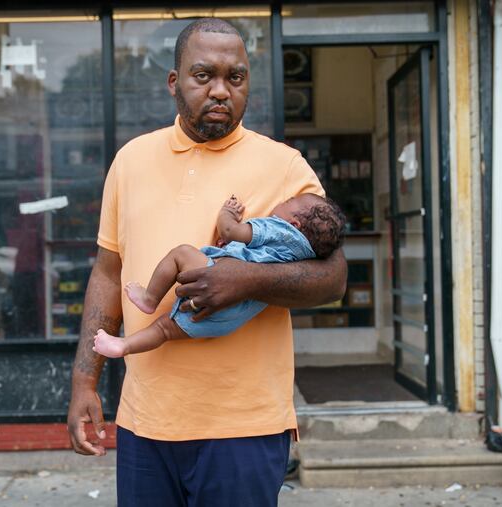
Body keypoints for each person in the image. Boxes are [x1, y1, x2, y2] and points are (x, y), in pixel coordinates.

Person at [66, 17, 347, 507]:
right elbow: (109, 273)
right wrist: (84, 380)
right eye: (204, 76)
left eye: (235, 78)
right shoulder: (131, 161)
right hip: (145, 421)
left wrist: (245, 279)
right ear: (174, 82)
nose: (221, 90)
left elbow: (333, 279)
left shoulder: (284, 166)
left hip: (245, 423)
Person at [92, 193, 346, 357]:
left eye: (289, 201)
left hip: (215, 280)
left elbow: (230, 230)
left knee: (181, 253)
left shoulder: (278, 230)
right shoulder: (305, 251)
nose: (283, 201)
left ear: (295, 224)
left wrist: (228, 213)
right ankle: (122, 346)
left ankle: (148, 299)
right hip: (233, 317)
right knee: (165, 330)